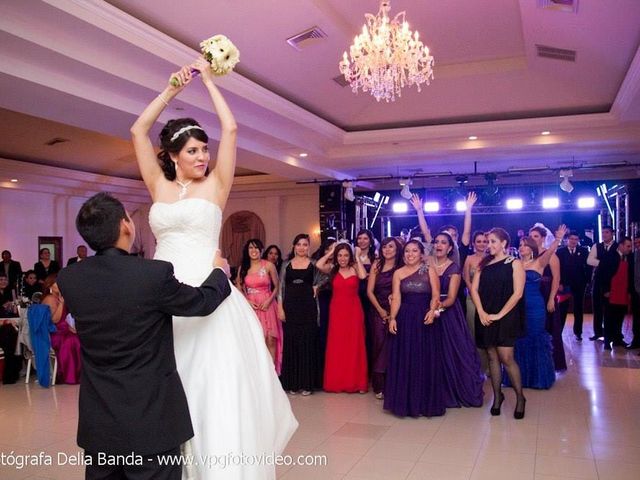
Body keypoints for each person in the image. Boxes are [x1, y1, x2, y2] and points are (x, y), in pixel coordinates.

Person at [131, 59, 297, 478]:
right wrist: (170, 90)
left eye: (205, 148)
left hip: (210, 293)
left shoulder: (217, 185)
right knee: (171, 380)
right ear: (171, 155)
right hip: (163, 296)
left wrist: (207, 83)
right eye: (193, 150)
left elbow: (233, 129)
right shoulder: (159, 186)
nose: (203, 156)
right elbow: (137, 130)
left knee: (212, 383)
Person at [57, 192, 232, 480]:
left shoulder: (70, 278)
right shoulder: (152, 275)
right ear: (126, 225)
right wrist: (219, 272)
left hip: (100, 422)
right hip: (152, 421)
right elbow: (201, 302)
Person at [384, 240, 444, 417]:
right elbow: (396, 298)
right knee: (405, 358)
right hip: (405, 319)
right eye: (408, 251)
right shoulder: (398, 273)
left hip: (424, 319)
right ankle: (405, 403)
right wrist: (392, 318)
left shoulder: (430, 270)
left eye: (414, 251)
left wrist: (433, 311)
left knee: (423, 359)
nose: (410, 254)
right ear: (403, 255)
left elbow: (435, 295)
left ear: (421, 254)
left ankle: (424, 403)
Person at [470, 228, 526, 419]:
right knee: (492, 357)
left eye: (493, 241)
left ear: (504, 243)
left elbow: (517, 293)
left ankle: (520, 398)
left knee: (507, 358)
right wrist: (482, 312)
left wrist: (499, 314)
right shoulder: (483, 264)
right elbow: (474, 290)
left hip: (506, 315)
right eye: (488, 241)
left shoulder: (514, 263)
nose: (489, 245)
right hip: (485, 315)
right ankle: (497, 397)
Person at [432, 232, 484, 407]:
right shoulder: (426, 265)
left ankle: (453, 389)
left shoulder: (454, 267)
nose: (439, 245)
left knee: (452, 352)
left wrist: (435, 310)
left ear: (449, 248)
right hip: (427, 313)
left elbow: (451, 298)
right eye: (437, 242)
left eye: (443, 242)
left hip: (447, 315)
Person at [511, 226, 566, 390]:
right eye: (520, 245)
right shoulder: (514, 263)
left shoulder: (539, 262)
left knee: (536, 338)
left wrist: (557, 239)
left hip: (535, 306)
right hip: (517, 307)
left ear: (532, 247)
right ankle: (521, 377)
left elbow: (550, 253)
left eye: (525, 245)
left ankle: (539, 378)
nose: (522, 248)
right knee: (520, 339)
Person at [316, 242, 368, 393]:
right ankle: (337, 382)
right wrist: (330, 251)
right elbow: (319, 264)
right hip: (337, 311)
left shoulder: (355, 268)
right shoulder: (332, 269)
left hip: (353, 311)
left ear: (350, 256)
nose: (343, 258)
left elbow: (363, 276)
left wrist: (357, 257)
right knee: (338, 345)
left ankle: (356, 383)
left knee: (354, 344)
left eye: (346, 255)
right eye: (340, 255)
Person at [278, 234, 320, 395]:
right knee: (292, 343)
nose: (302, 247)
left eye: (305, 245)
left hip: (308, 308)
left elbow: (327, 277)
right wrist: (280, 308)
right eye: (299, 244)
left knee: (307, 344)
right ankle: (292, 384)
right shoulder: (285, 265)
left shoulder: (314, 264)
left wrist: (319, 286)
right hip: (290, 308)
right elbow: (281, 288)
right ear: (294, 246)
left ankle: (307, 384)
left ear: (309, 247)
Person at [236, 239, 282, 373]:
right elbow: (238, 288)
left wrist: (269, 300)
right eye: (251, 248)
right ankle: (258, 372)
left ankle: (272, 373)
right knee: (256, 339)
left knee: (270, 338)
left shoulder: (268, 265)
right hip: (251, 307)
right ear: (247, 250)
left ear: (261, 250)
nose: (254, 251)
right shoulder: (243, 267)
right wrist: (247, 301)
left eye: (257, 248)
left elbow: (277, 286)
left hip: (267, 305)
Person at [366, 237, 403, 399]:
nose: (387, 250)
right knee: (379, 345)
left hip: (397, 309)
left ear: (397, 249)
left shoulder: (401, 266)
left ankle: (394, 383)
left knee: (394, 346)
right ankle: (379, 385)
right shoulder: (377, 265)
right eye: (384, 247)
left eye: (391, 247)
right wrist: (381, 311)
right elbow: (369, 291)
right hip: (377, 309)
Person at [529, 224, 566, 371]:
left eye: (536, 236)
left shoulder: (551, 255)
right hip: (531, 295)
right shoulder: (526, 255)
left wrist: (551, 298)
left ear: (543, 238)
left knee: (548, 329)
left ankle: (549, 363)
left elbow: (556, 279)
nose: (533, 239)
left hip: (546, 294)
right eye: (531, 236)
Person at [41, 274, 82, 384]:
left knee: (80, 338)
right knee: (71, 341)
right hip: (55, 333)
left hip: (66, 330)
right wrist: (62, 303)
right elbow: (55, 320)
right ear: (50, 285)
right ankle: (69, 375)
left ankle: (81, 374)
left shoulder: (61, 297)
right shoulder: (49, 298)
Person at [600, 237, 633, 350]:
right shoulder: (609, 256)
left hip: (623, 293)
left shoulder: (629, 258)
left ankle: (618, 339)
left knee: (620, 317)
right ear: (621, 245)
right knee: (609, 317)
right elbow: (602, 274)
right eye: (628, 246)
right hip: (611, 292)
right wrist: (605, 290)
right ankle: (607, 341)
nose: (630, 248)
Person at [557, 231, 591, 341]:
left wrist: (587, 281)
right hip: (565, 284)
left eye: (576, 239)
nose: (573, 241)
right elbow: (557, 269)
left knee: (578, 309)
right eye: (572, 239)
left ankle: (578, 332)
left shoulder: (584, 251)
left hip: (579, 284)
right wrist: (559, 283)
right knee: (562, 309)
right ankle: (559, 333)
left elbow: (588, 267)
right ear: (567, 239)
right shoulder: (560, 252)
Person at [587, 226, 618, 341]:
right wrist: (605, 263)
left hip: (613, 282)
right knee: (597, 308)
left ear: (612, 233)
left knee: (612, 309)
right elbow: (589, 260)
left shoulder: (617, 246)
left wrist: (600, 263)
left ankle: (613, 334)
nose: (604, 234)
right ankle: (598, 332)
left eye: (607, 232)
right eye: (603, 232)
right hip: (598, 281)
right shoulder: (597, 246)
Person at [628, 237, 640, 351]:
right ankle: (636, 341)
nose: (637, 244)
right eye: (635, 242)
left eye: (639, 242)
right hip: (635, 291)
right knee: (636, 318)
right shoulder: (632, 256)